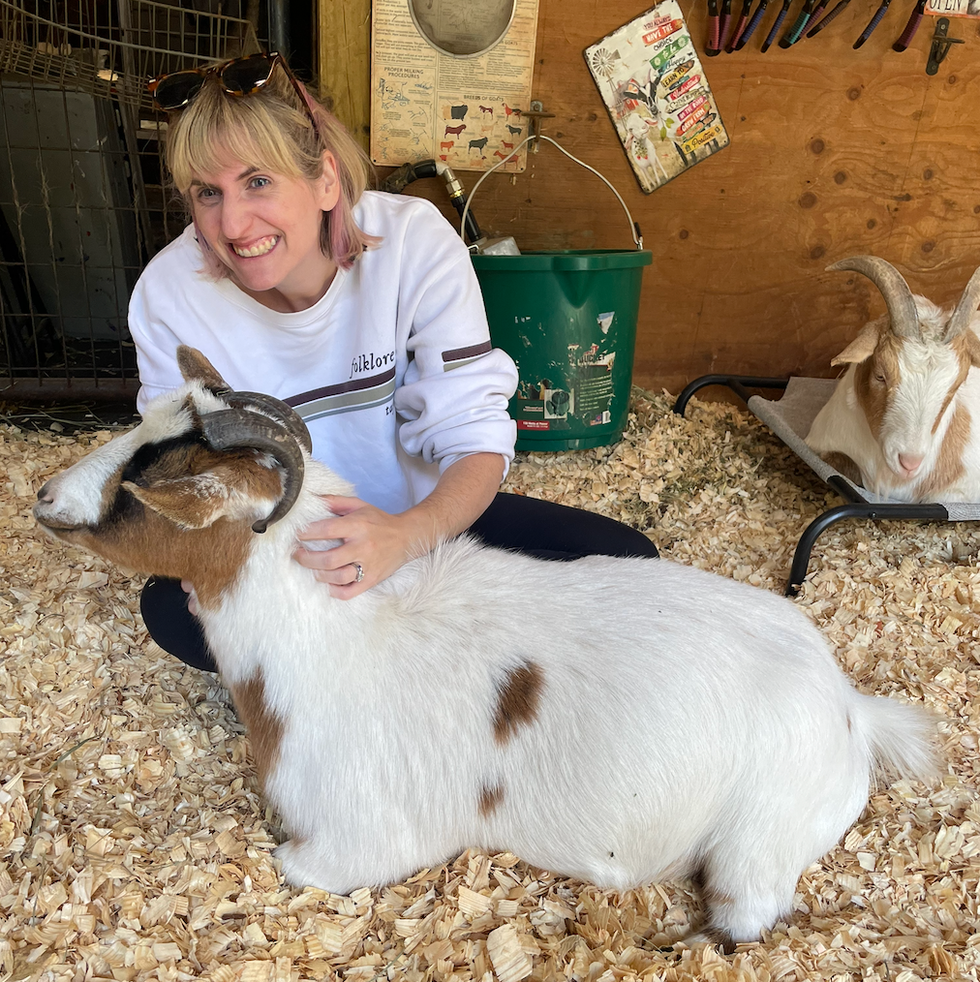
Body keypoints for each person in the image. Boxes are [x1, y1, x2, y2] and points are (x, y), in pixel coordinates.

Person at [132, 52, 659, 672]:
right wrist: (215, 561)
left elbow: (475, 437)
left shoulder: (414, 241)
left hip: (426, 531)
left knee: (627, 563)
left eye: (258, 181)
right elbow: (179, 470)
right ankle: (406, 664)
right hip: (284, 556)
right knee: (169, 609)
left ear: (326, 179)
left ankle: (369, 661)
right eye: (207, 194)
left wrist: (407, 535)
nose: (234, 222)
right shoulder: (168, 294)